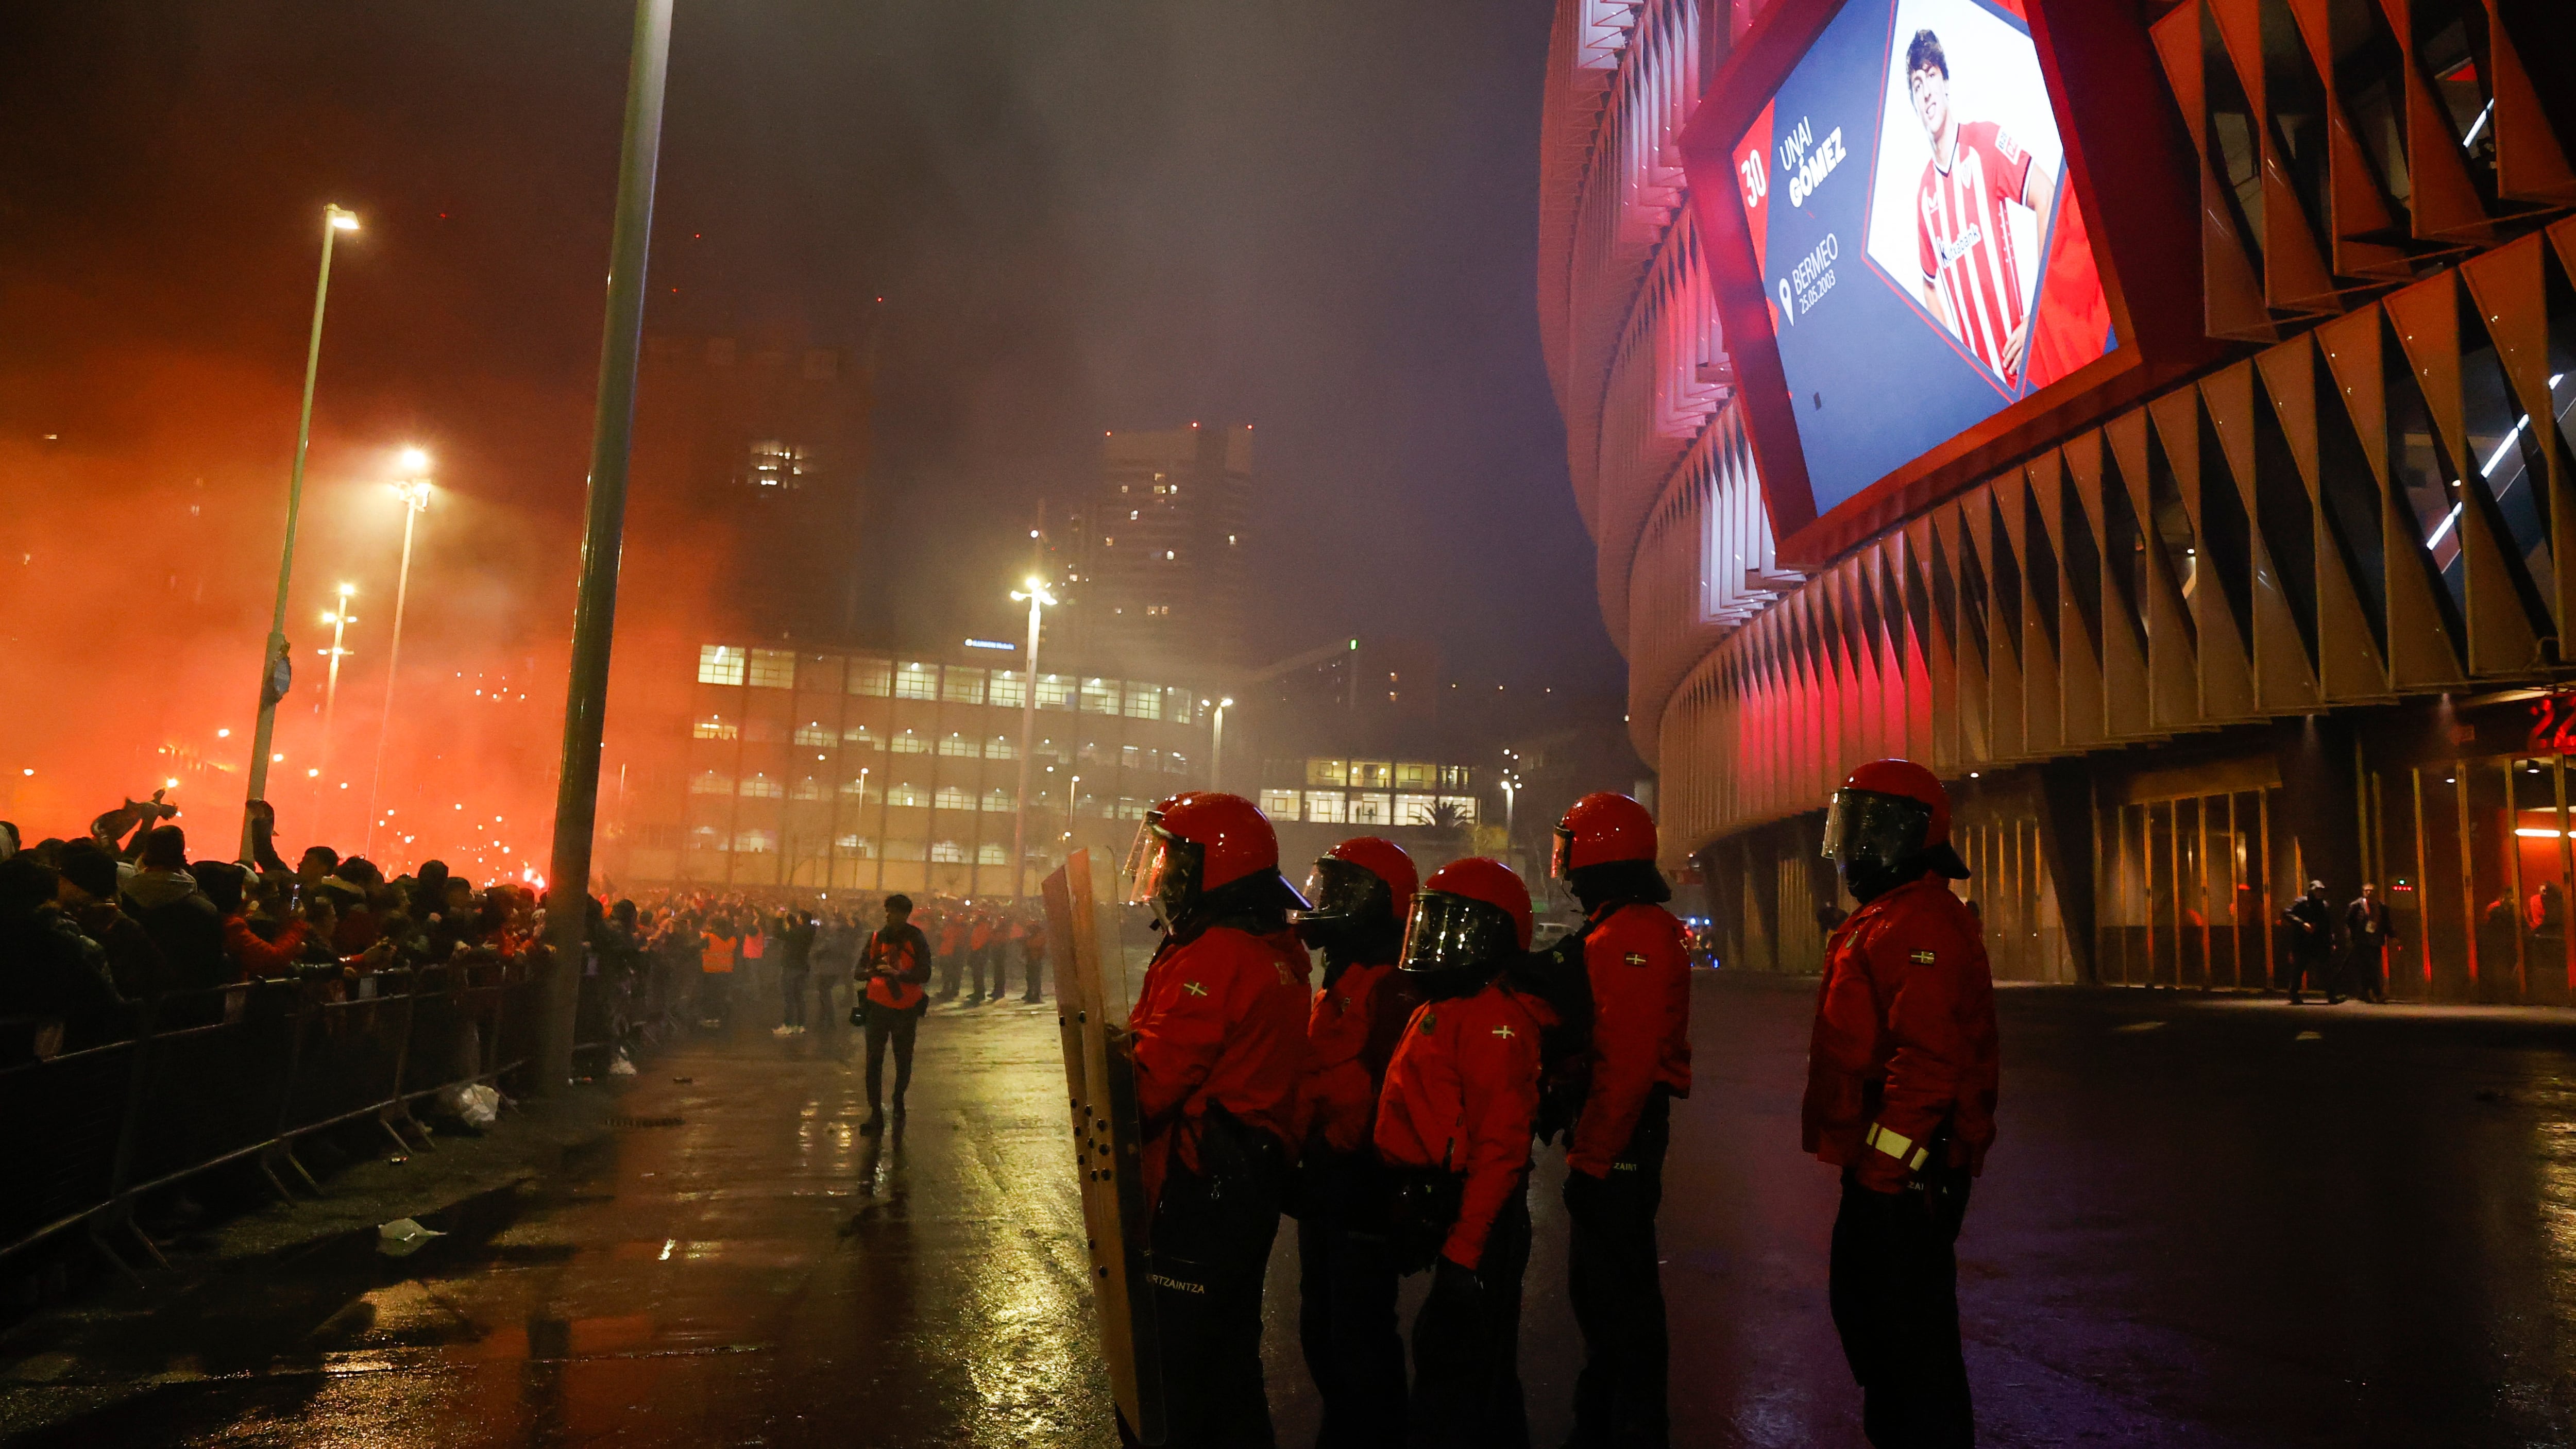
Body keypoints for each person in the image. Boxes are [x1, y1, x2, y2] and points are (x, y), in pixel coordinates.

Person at [1809, 759, 1998, 1449]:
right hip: (1888, 1171)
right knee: (1886, 1341)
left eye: (1864, 827)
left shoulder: (1916, 922)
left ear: (1904, 835)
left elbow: (1927, 1068)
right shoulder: (1892, 917)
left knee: (1910, 1353)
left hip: (1902, 1178)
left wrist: (1883, 1179)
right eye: (1846, 825)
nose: (1851, 845)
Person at [1118, 791, 1312, 1448]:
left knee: (1178, 1382)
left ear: (1214, 871)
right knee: (1229, 1366)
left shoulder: (1217, 954)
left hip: (1198, 1187)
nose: (1160, 877)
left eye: (1172, 862)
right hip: (1244, 1186)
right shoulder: (1270, 947)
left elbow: (1150, 1086)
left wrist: (1108, 1061)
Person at [1372, 857, 1552, 1449]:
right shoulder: (1447, 1004)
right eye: (1433, 923)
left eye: (1456, 928)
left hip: (1479, 1218)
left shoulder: (1491, 1017)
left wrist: (1463, 1251)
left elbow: (1501, 1148)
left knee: (1464, 1378)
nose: (1436, 942)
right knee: (1463, 1369)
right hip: (1449, 1207)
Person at [1550, 792, 1693, 1449]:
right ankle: (1617, 1419)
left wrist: (1592, 1157)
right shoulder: (1622, 925)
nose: (1566, 868)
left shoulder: (1629, 934)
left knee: (1616, 1293)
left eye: (1570, 850)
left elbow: (1626, 1065)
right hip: (1624, 1130)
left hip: (1623, 1133)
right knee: (1610, 1289)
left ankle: (1624, 1427)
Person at [1292, 836, 1419, 1448]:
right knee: (1324, 1330)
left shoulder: (1390, 984)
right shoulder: (1347, 972)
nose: (1327, 901)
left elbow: (1384, 1096)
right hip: (1327, 1180)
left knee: (1359, 1337)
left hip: (1360, 1184)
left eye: (1343, 890)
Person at [1905, 27, 2059, 387]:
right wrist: (1956, 364)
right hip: (1987, 400)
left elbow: (2046, 195)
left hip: (2030, 376)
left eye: (1930, 76)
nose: (1926, 90)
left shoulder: (1984, 143)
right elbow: (1929, 285)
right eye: (1916, 84)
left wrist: (2039, 312)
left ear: (1946, 83)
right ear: (1915, 104)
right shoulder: (1925, 196)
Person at [857, 895, 933, 1134]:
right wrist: (873, 972)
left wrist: (898, 974)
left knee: (903, 1059)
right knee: (873, 1061)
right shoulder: (876, 938)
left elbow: (925, 973)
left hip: (905, 1008)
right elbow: (858, 971)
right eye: (888, 911)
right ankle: (876, 1113)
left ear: (906, 914)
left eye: (895, 912)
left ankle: (898, 1099)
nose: (889, 915)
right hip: (878, 1007)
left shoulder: (917, 939)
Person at [2283, 880, 2335, 1005]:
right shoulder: (2302, 902)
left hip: (2319, 942)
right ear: (2312, 891)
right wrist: (2302, 924)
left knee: (2325, 969)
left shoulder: (2324, 905)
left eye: (2321, 891)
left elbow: (2328, 925)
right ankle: (2293, 994)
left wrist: (2331, 941)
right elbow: (2287, 913)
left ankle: (2332, 995)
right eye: (2317, 890)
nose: (2320, 893)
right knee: (2299, 969)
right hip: (2303, 942)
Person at [2343, 883, 2390, 1005]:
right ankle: (2376, 992)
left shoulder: (2381, 907)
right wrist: (2353, 936)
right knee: (2368, 967)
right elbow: (2348, 921)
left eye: (2372, 891)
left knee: (2373, 967)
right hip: (2362, 941)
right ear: (2363, 892)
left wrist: (2392, 936)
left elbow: (2387, 923)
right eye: (2367, 891)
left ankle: (2366, 993)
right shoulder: (2357, 905)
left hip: (2375, 941)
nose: (2369, 893)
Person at [776, 908, 817, 1036]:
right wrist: (790, 917)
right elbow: (797, 929)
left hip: (791, 967)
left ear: (802, 920)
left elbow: (780, 934)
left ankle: (788, 1025)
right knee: (799, 997)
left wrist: (778, 919)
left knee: (789, 997)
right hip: (802, 967)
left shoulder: (798, 932)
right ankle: (801, 1025)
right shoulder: (809, 931)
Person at [698, 914, 738, 1027]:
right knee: (722, 994)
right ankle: (722, 1016)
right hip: (727, 970)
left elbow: (696, 948)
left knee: (711, 995)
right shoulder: (732, 938)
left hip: (711, 971)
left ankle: (711, 1017)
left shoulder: (708, 937)